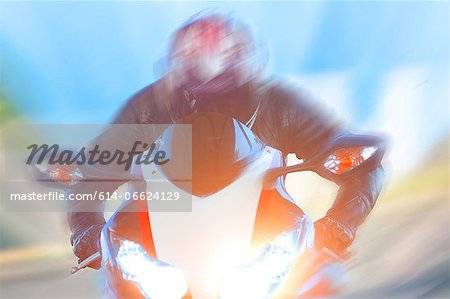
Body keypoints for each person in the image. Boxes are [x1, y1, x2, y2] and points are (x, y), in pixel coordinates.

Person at [69, 12, 384, 269]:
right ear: (177, 79)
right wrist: (87, 233)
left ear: (246, 75)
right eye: (195, 94)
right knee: (118, 283)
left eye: (230, 97)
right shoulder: (146, 108)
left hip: (266, 238)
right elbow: (91, 175)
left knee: (317, 282)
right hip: (156, 245)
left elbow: (359, 161)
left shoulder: (278, 103)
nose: (213, 108)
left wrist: (337, 227)